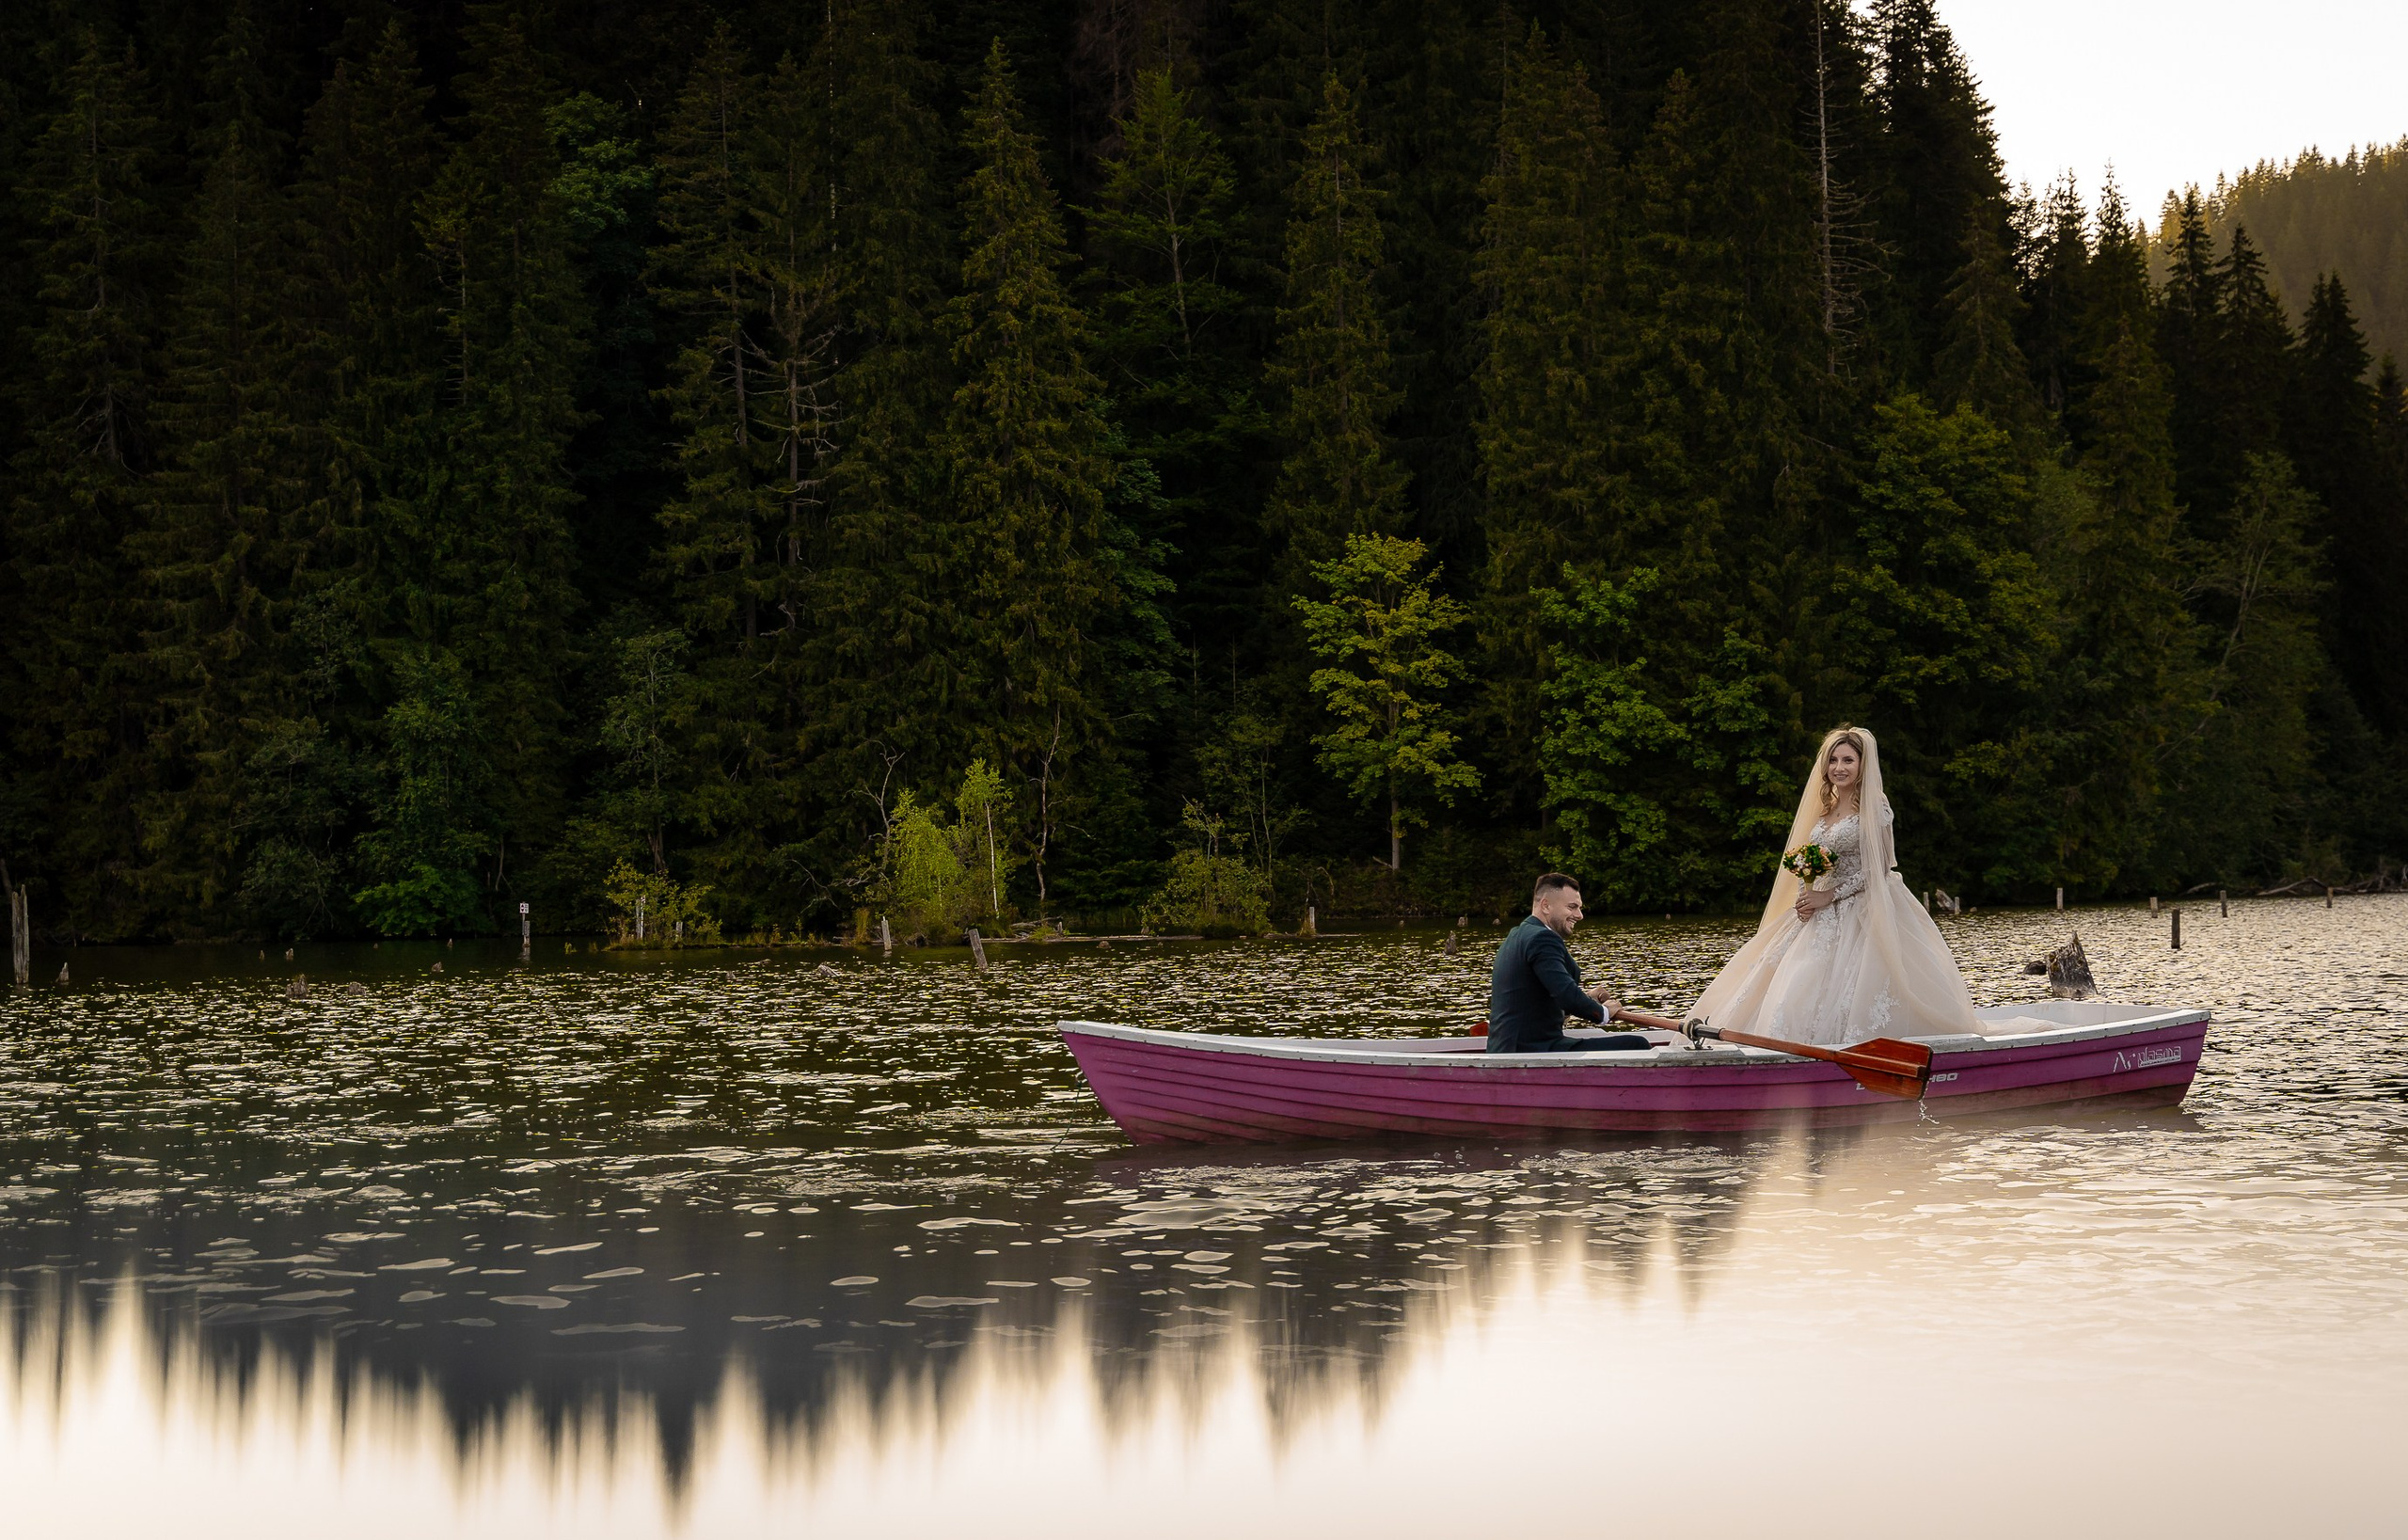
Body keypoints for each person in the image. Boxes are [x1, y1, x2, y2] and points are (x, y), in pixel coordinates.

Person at [1687, 725, 1980, 1047]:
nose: (1839, 767)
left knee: (1855, 982)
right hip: (1819, 909)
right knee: (1792, 975)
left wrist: (1829, 895)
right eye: (1833, 760)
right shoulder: (1826, 807)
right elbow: (1815, 862)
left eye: (1848, 760)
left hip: (1864, 908)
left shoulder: (1875, 805)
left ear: (1862, 765)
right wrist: (1807, 894)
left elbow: (1880, 868)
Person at [1486, 873, 1655, 1054]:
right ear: (1546, 906)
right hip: (1530, 1051)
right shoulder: (1542, 938)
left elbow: (1537, 997)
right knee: (1637, 1044)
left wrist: (1587, 999)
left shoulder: (1517, 934)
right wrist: (1603, 1012)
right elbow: (1566, 994)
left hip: (1507, 1048)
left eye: (1579, 908)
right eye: (1572, 907)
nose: (1579, 915)